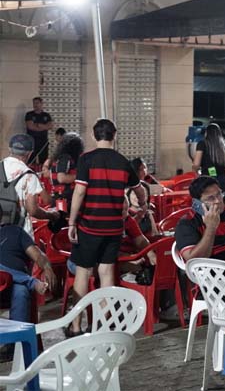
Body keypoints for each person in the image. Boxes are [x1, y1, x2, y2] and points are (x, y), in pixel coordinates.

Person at [67, 119, 146, 336]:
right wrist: (144, 204)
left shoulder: (87, 160)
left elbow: (80, 192)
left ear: (94, 136)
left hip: (89, 227)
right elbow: (140, 190)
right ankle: (103, 326)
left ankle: (75, 327)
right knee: (106, 272)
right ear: (114, 135)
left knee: (83, 273)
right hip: (113, 228)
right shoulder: (123, 162)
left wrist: (72, 221)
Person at [0, 221, 57, 324]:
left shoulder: (15, 231)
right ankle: (30, 281)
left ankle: (18, 337)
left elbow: (37, 254)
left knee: (21, 292)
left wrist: (47, 267)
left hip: (13, 285)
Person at [2, 134, 60, 236]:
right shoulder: (28, 175)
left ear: (10, 149)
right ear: (29, 153)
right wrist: (51, 215)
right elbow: (33, 211)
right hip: (19, 234)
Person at [191, 123, 225, 196]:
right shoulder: (224, 145)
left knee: (207, 205)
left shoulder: (202, 143)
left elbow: (196, 164)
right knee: (220, 205)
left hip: (208, 181)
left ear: (206, 133)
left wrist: (195, 173)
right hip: (223, 180)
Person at [50, 132, 83, 212]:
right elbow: (61, 178)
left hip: (60, 196)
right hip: (65, 198)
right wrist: (80, 176)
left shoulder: (59, 158)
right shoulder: (65, 158)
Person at [127, 158, 159, 235]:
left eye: (145, 168)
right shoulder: (130, 184)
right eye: (141, 169)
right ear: (136, 170)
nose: (144, 171)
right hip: (134, 214)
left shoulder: (148, 179)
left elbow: (159, 188)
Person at [24, 97, 53, 166]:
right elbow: (30, 127)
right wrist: (43, 126)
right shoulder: (29, 114)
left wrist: (38, 125)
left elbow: (50, 126)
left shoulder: (46, 115)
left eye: (37, 103)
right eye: (34, 103)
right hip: (32, 142)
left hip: (43, 142)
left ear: (41, 104)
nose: (35, 105)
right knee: (31, 161)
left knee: (43, 162)